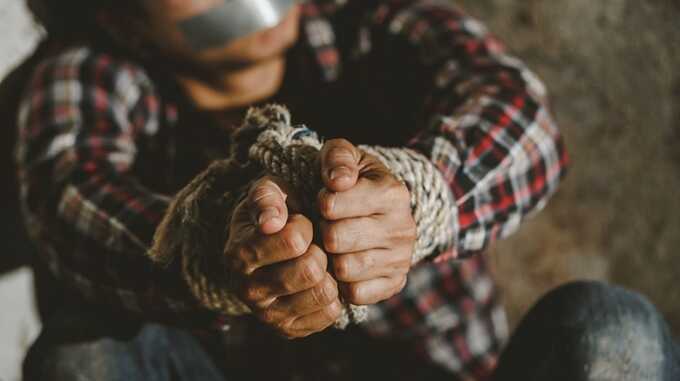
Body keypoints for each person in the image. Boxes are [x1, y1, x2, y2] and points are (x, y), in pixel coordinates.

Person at [5, 0, 678, 379]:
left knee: (616, 334)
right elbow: (72, 199)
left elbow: (519, 115)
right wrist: (215, 249)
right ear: (119, 16)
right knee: (85, 356)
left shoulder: (373, 24)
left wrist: (420, 195)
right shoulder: (87, 75)